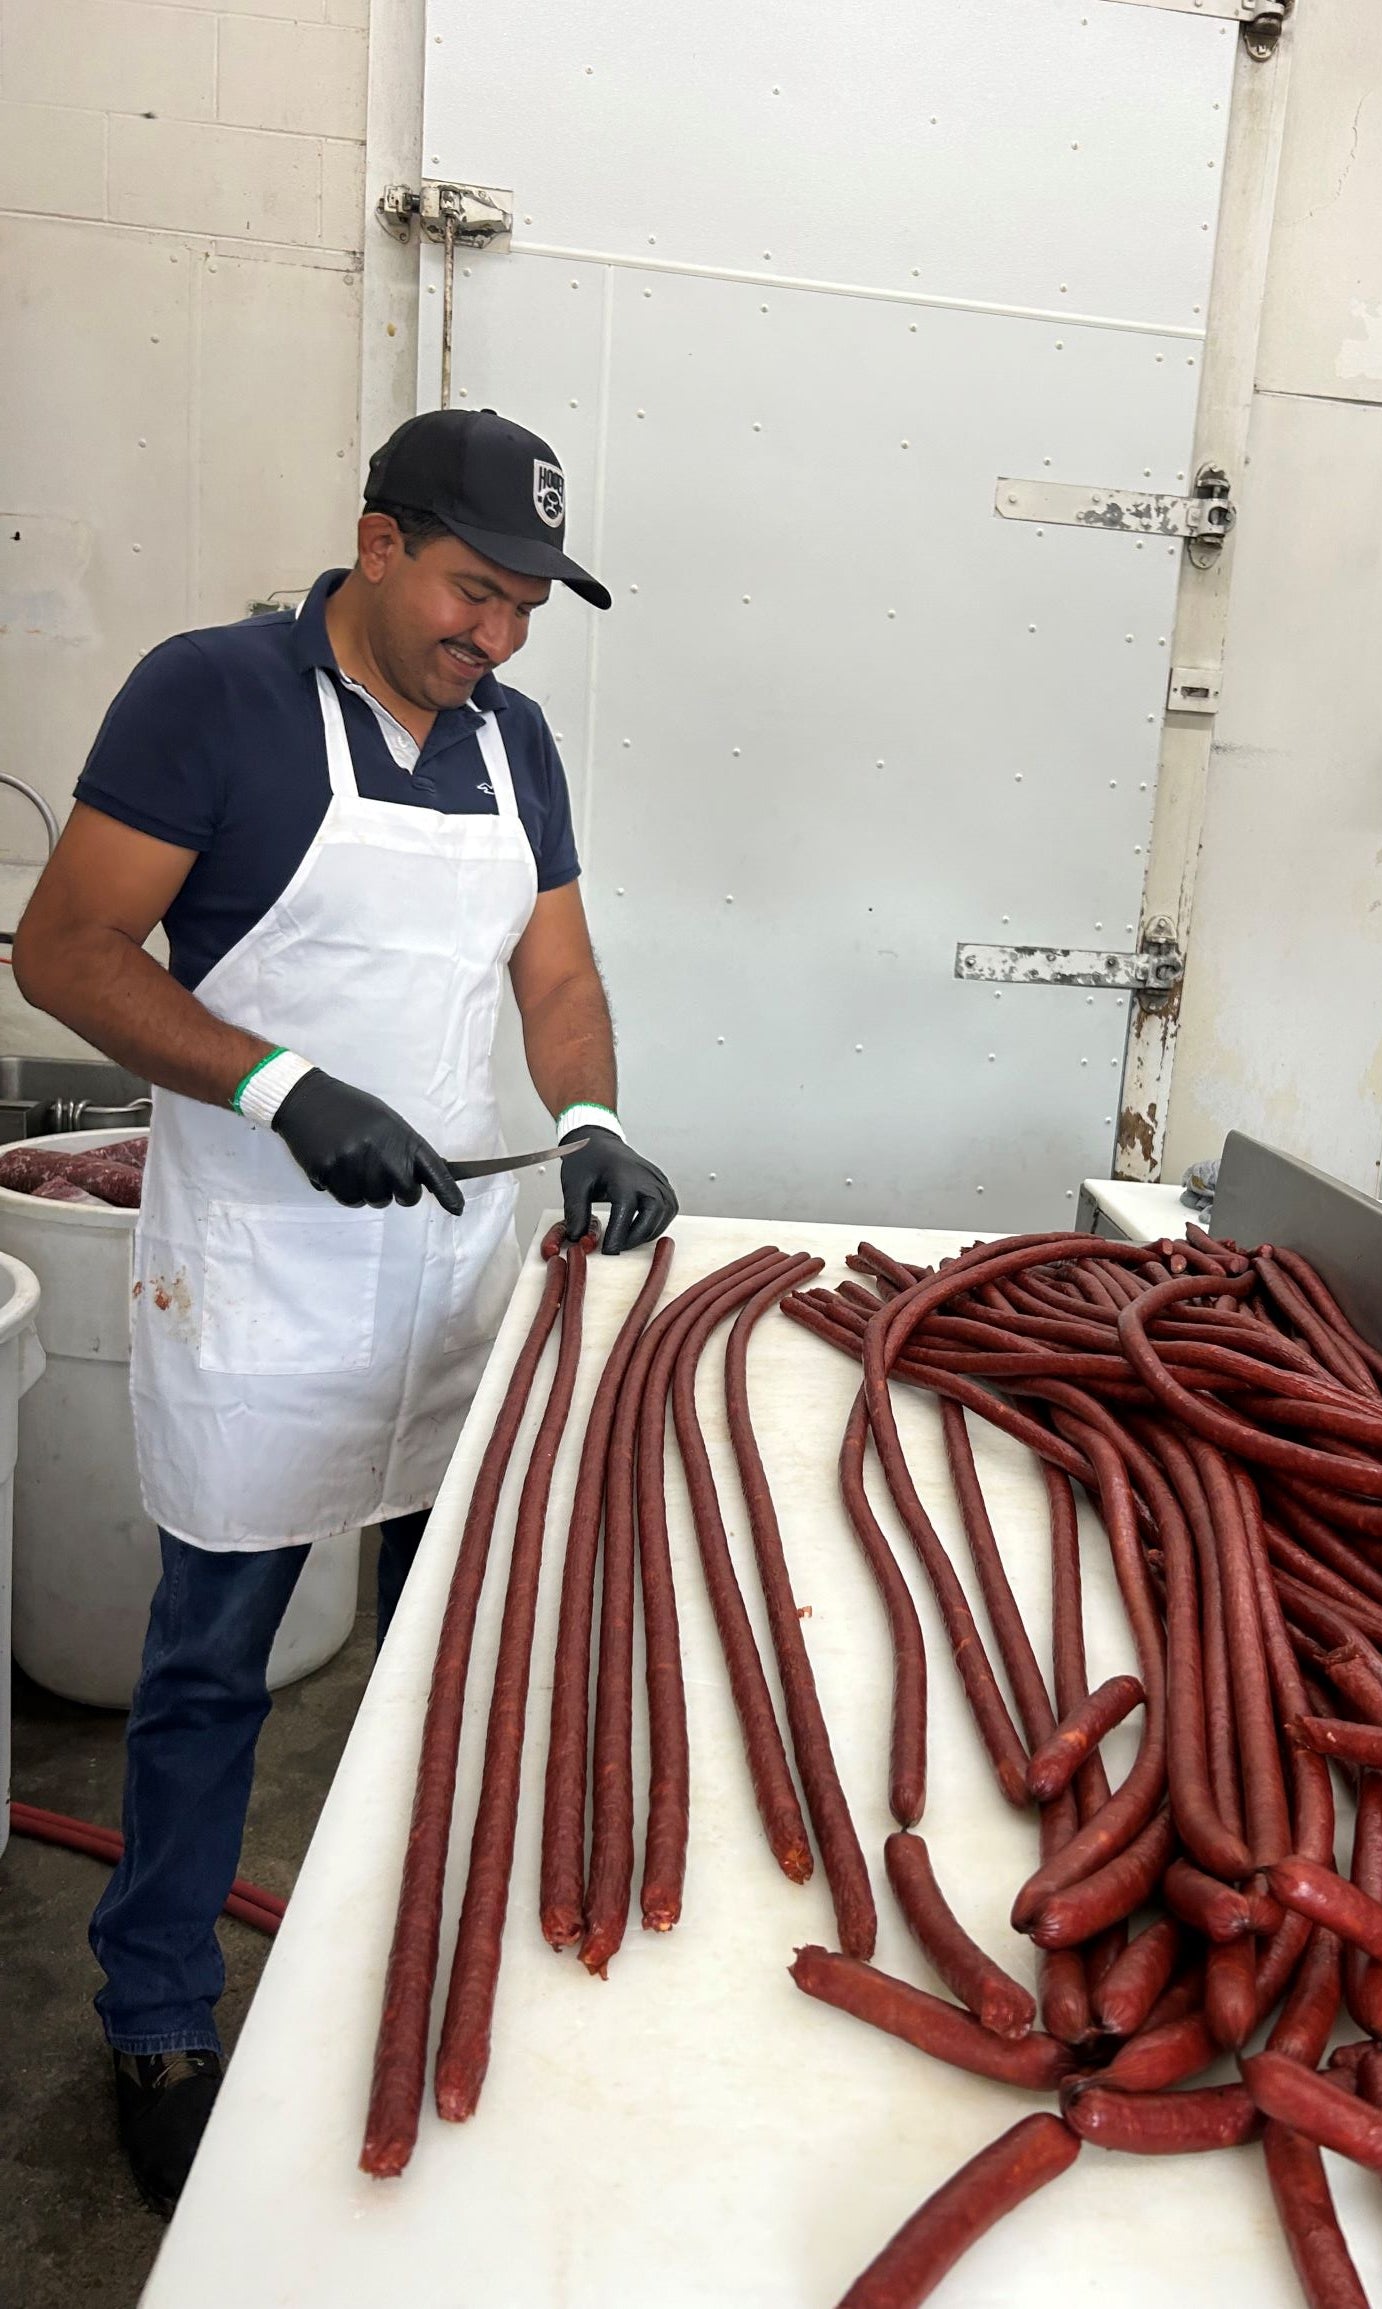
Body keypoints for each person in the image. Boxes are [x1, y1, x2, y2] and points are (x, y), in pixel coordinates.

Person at [13, 407, 677, 2213]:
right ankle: (160, 2012)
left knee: (444, 1649)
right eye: (474, 591)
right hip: (263, 1276)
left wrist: (590, 1118)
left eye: (528, 606)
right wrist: (281, 1086)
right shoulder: (212, 696)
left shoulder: (511, 741)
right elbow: (64, 949)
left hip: (451, 1279)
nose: (500, 638)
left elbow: (557, 966)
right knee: (210, 1665)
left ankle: (412, 1977)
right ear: (378, 544)